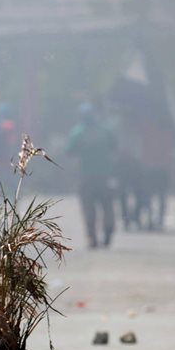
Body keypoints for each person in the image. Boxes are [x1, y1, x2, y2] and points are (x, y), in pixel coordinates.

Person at [66, 100, 118, 249]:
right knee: (107, 205)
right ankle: (108, 232)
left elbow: (69, 151)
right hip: (105, 176)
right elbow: (115, 147)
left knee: (89, 208)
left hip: (86, 176)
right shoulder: (106, 130)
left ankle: (92, 238)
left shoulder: (77, 132)